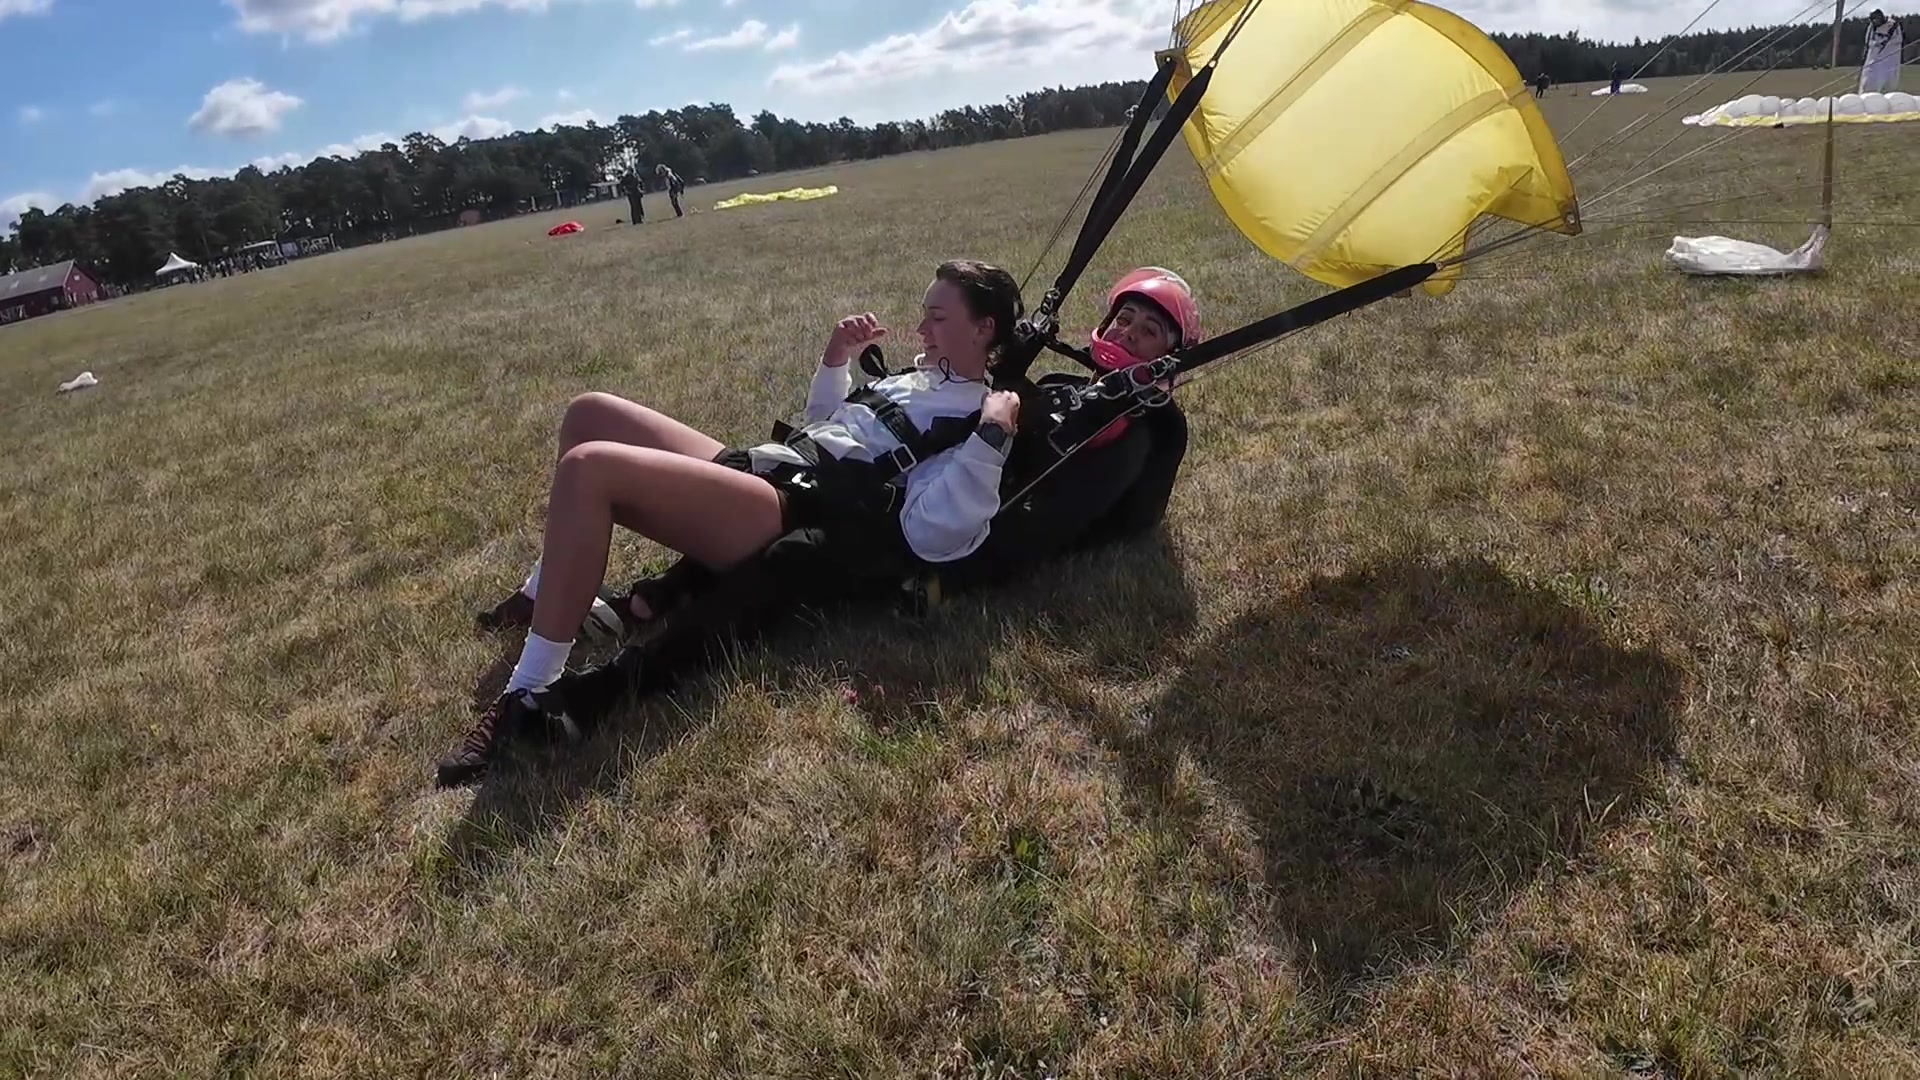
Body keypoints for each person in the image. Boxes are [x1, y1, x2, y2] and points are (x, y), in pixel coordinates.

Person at [434, 259, 1026, 786]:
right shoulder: (915, 379)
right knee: (589, 413)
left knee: (590, 469)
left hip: (789, 507)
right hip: (770, 466)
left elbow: (935, 531)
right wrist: (835, 360)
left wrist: (992, 436)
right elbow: (824, 426)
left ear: (983, 329)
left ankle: (529, 686)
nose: (921, 329)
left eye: (937, 318)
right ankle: (543, 593)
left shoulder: (973, 417)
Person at [1861, 10, 1904, 94]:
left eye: (1876, 19)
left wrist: (1881, 44)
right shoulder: (1872, 27)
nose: (1874, 21)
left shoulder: (1893, 25)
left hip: (1889, 58)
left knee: (1888, 84)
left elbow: (1897, 40)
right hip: (1873, 58)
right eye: (1873, 20)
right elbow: (1868, 42)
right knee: (1868, 81)